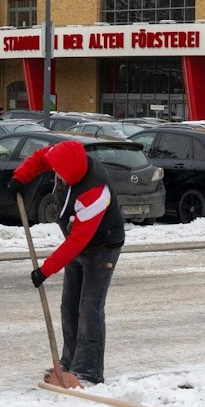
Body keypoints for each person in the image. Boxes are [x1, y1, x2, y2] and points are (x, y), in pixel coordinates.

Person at [11, 138, 125, 387]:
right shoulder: (63, 157)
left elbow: (77, 243)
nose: (56, 176)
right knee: (69, 305)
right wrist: (20, 177)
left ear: (72, 175)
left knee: (89, 308)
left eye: (61, 175)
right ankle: (69, 363)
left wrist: (45, 270)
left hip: (102, 248)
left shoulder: (95, 193)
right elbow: (42, 157)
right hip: (78, 241)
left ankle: (89, 371)